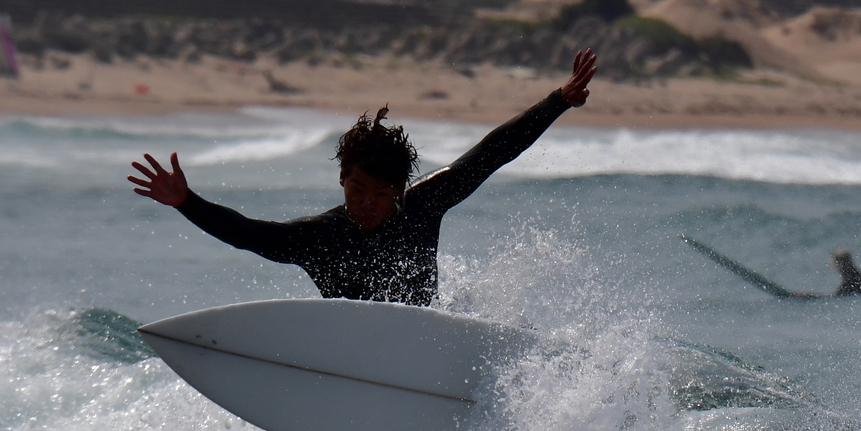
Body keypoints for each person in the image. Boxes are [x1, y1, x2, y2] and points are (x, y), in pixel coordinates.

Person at [128, 50, 598, 307]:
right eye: (358, 190)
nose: (368, 203)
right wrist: (186, 201)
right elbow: (249, 234)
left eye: (381, 193)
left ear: (398, 190)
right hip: (355, 351)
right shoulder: (320, 238)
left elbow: (489, 154)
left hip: (420, 339)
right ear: (341, 181)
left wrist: (558, 99)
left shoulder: (423, 206)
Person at [682, 235, 861, 299]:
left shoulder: (852, 275)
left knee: (802, 296)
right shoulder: (853, 274)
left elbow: (840, 298)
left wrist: (807, 297)